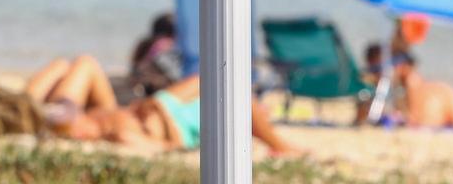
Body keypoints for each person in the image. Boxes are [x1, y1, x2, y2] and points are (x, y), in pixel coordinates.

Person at [28, 58, 298, 155]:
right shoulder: (234, 104)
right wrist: (159, 110)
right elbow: (176, 148)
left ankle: (27, 106)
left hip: (159, 114)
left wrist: (158, 113)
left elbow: (167, 149)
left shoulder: (119, 131)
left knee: (72, 66)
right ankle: (285, 148)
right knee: (77, 63)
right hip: (162, 113)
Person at [364, 44, 453, 129]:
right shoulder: (398, 93)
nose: (374, 76)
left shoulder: (437, 94)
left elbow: (422, 120)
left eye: (377, 69)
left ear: (401, 66)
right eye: (372, 70)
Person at [128, 13, 182, 96]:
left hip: (141, 83)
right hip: (157, 87)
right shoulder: (166, 44)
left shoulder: (145, 43)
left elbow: (135, 63)